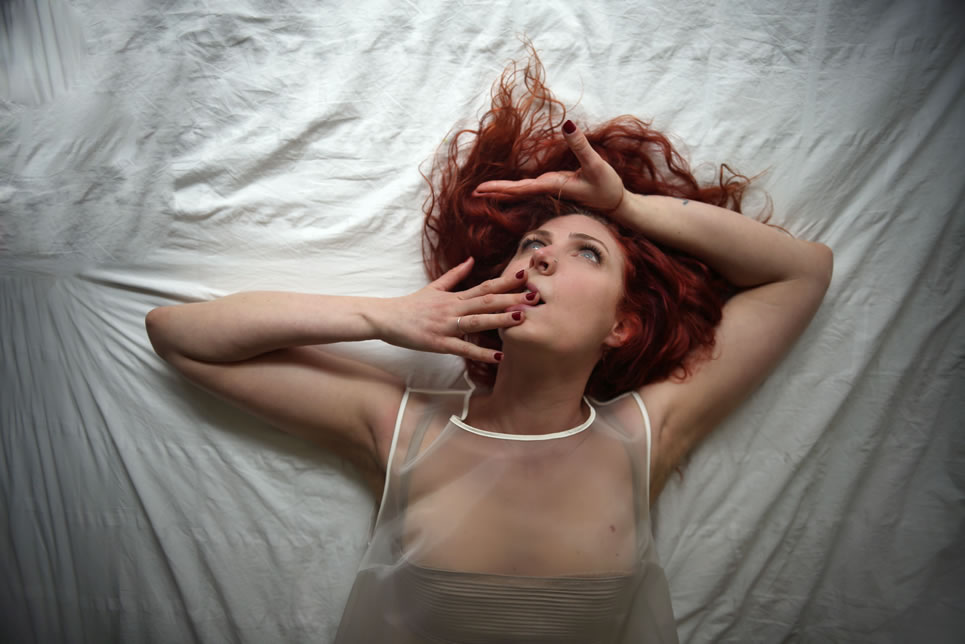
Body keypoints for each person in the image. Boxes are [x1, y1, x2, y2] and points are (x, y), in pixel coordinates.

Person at [145, 52, 832, 643]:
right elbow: (178, 336)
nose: (539, 259)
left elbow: (802, 272)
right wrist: (382, 317)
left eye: (586, 253)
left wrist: (625, 206)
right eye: (532, 244)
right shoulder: (405, 430)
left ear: (619, 326)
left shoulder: (646, 436)